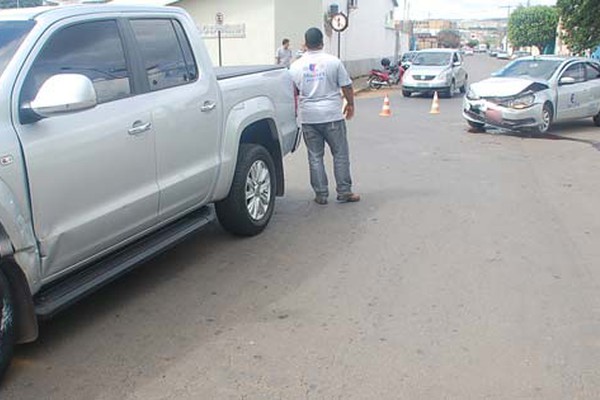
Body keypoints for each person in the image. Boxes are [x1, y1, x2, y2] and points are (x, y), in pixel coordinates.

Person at [289, 27, 360, 205]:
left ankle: (321, 194)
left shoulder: (295, 66)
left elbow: (293, 92)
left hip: (309, 118)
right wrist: (350, 104)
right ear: (322, 42)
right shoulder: (333, 62)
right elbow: (347, 86)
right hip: (332, 116)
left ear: (305, 44)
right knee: (340, 154)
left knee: (315, 156)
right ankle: (344, 191)